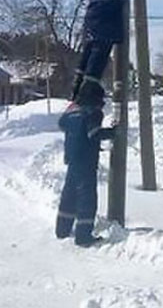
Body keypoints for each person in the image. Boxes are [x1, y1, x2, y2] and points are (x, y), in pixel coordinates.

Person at [55, 83, 116, 247]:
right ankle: (83, 236)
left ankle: (62, 229)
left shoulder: (72, 111)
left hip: (72, 158)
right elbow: (94, 133)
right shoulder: (93, 112)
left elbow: (61, 124)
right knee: (87, 198)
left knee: (69, 195)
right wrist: (113, 132)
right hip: (86, 160)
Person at [71, 0, 125, 102]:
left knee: (88, 51)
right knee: (100, 55)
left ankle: (77, 84)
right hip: (107, 25)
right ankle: (88, 89)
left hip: (91, 23)